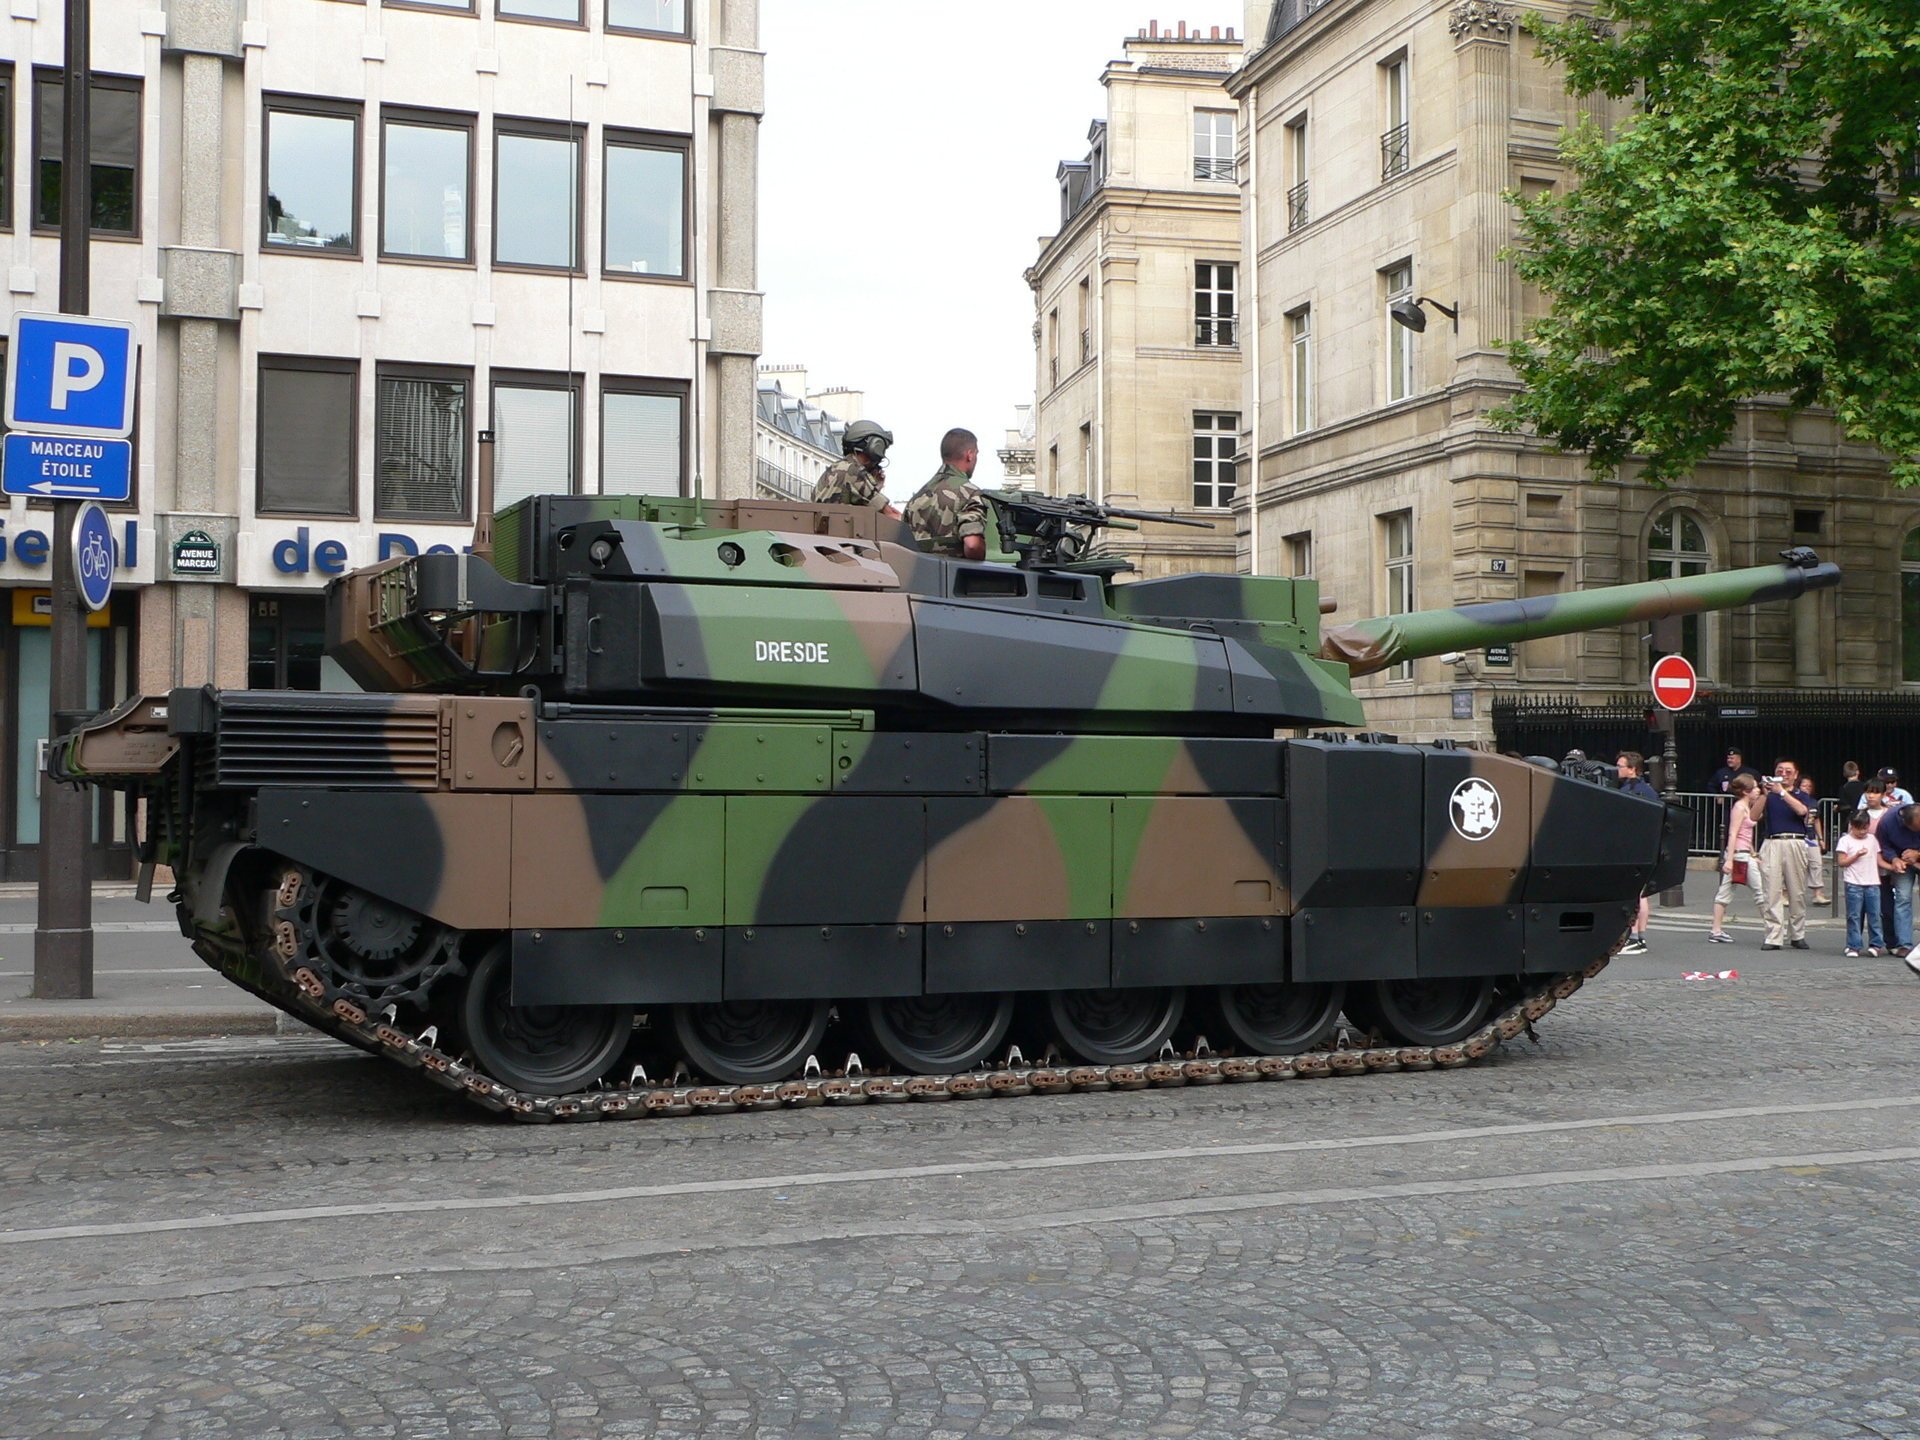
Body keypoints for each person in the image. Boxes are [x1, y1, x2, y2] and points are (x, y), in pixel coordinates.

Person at [1746, 757, 1815, 951]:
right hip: (1772, 841)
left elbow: (1802, 811)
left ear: (1795, 775)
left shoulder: (1800, 794)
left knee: (1797, 891)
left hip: (1795, 841)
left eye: (1788, 772)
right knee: (1771, 890)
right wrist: (1764, 794)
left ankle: (1797, 934)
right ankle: (1773, 935)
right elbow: (1753, 816)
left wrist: (1782, 793)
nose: (1783, 775)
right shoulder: (1769, 795)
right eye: (1779, 771)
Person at [905, 428, 991, 561]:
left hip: (918, 572)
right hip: (954, 572)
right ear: (970, 455)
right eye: (976, 454)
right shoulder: (969, 493)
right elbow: (972, 545)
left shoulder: (915, 499)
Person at [1708, 774, 1766, 942]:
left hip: (1743, 853)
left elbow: (1745, 834)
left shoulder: (1746, 806)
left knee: (1726, 892)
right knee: (1760, 892)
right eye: (1754, 788)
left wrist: (1752, 852)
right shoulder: (1740, 808)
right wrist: (1729, 859)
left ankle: (1716, 930)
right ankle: (1772, 928)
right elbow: (1733, 833)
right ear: (1746, 791)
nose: (1757, 790)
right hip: (1739, 855)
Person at [1615, 751, 1658, 954]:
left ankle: (1633, 937)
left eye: (1620, 766)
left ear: (1632, 769)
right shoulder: (1648, 790)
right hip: (1646, 847)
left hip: (1632, 849)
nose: (1617, 769)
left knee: (1633, 894)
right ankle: (1639, 936)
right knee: (1641, 894)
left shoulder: (1628, 790)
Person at [813, 420, 903, 518]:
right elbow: (891, 514)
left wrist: (875, 487)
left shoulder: (838, 467)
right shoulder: (853, 471)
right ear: (875, 446)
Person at [1873, 801, 1920, 959]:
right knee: (1902, 899)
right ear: (1905, 823)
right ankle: (1904, 944)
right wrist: (1893, 859)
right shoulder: (1888, 821)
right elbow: (1883, 845)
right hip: (1902, 861)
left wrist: (1917, 854)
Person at [1837, 808, 1886, 958]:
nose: (1863, 832)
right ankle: (1853, 945)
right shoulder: (1845, 840)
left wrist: (1892, 866)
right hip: (1853, 882)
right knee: (1854, 916)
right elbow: (1842, 862)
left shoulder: (1872, 839)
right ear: (1852, 826)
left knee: (1875, 915)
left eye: (1865, 828)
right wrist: (1856, 856)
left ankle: (1876, 944)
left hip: (1872, 882)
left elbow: (1879, 860)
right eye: (1859, 828)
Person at [1798, 775, 1829, 907]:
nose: (1807, 788)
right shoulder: (1793, 799)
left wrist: (1821, 838)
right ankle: (1785, 893)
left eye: (1809, 786)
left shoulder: (1813, 802)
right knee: (1795, 866)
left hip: (1811, 836)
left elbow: (1816, 820)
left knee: (1816, 863)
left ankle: (1818, 894)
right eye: (1804, 785)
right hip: (1798, 836)